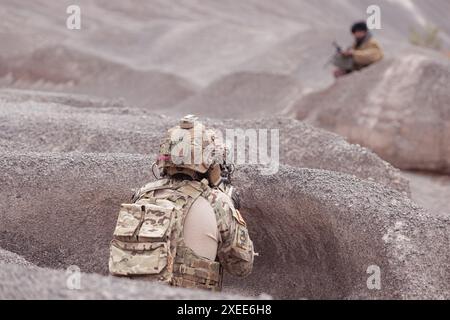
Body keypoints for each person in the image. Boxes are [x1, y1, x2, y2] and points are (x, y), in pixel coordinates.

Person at [108, 115, 254, 291]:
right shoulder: (217, 202)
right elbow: (241, 267)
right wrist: (229, 203)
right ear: (208, 162)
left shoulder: (142, 194)